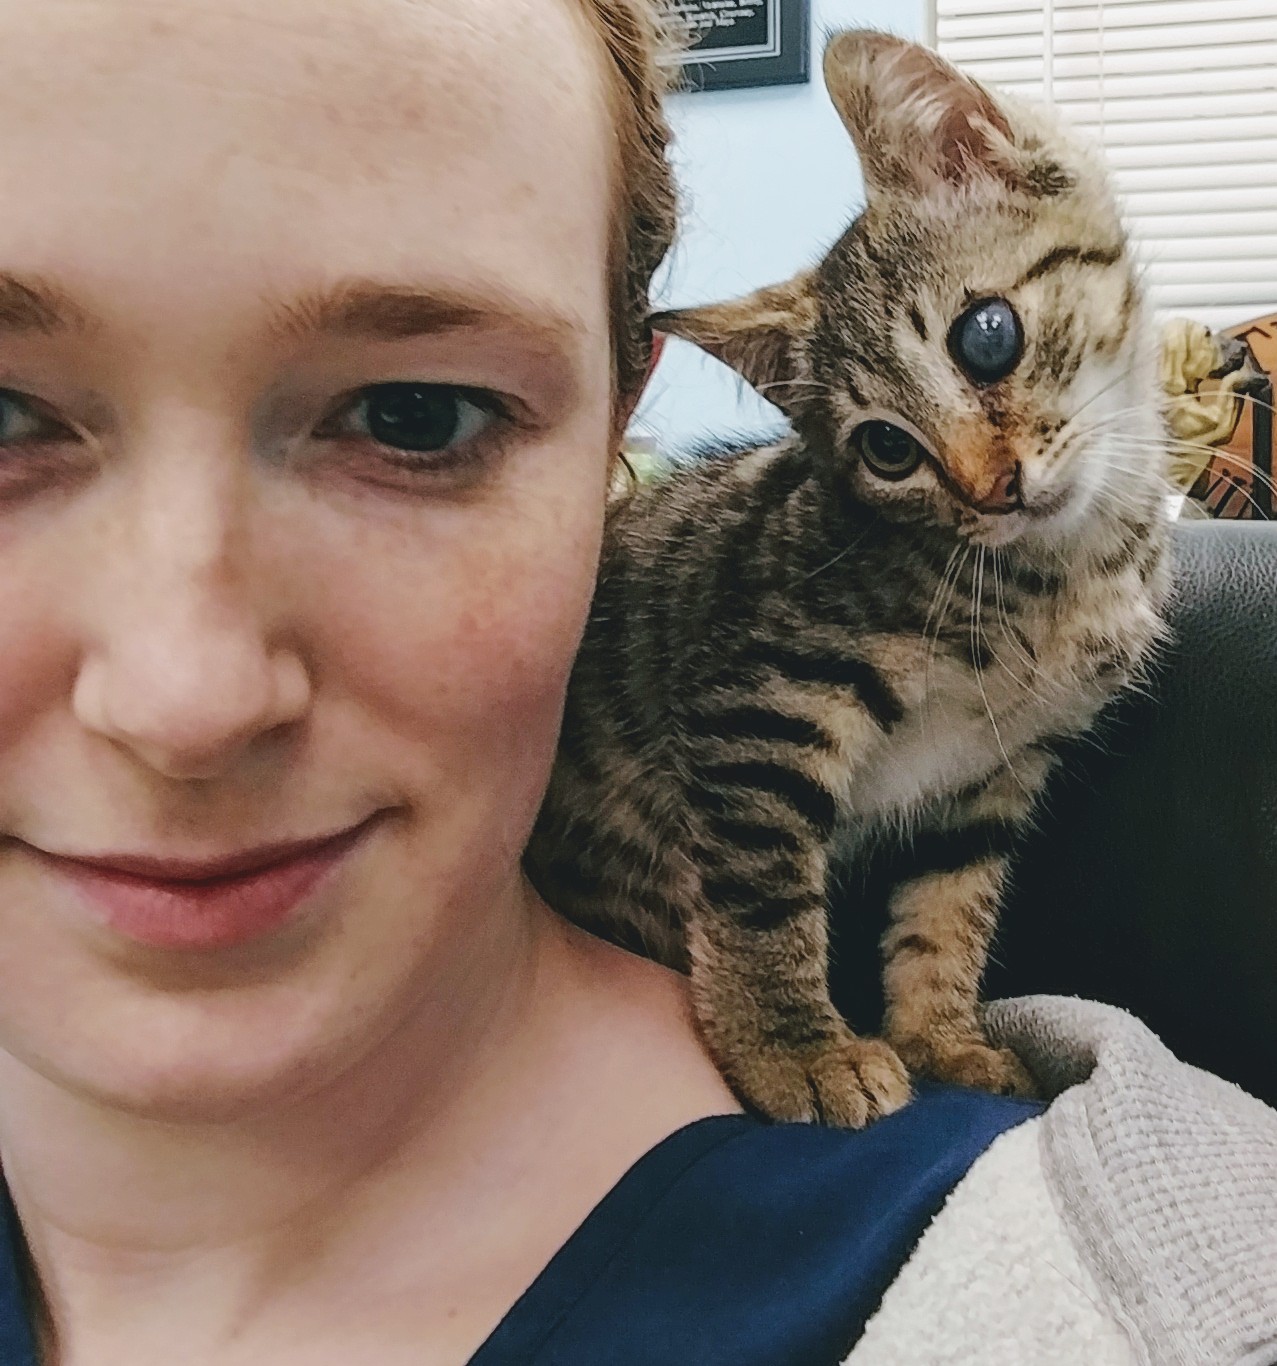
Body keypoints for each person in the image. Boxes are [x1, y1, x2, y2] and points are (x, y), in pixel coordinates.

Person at [0, 2, 1270, 1363]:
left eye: (418, 412)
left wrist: (921, 1018)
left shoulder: (1112, 1281)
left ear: (618, 430)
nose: (186, 699)